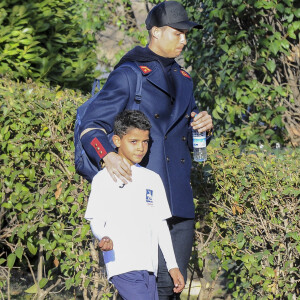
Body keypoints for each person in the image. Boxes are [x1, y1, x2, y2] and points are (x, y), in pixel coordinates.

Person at [79, 1, 213, 299]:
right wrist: (107, 155)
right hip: (139, 197)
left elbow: (186, 143)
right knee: (144, 286)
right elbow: (91, 125)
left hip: (177, 197)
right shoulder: (129, 73)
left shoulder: (185, 80)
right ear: (154, 31)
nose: (184, 39)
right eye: (177, 32)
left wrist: (203, 128)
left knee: (172, 287)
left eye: (186, 33)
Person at [85, 110, 185, 300]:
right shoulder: (103, 179)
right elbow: (96, 219)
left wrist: (172, 266)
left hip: (149, 268)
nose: (140, 147)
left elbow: (160, 226)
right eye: (133, 141)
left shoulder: (152, 179)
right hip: (122, 265)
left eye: (145, 141)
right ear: (116, 141)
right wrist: (103, 236)